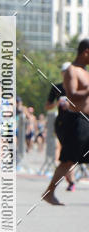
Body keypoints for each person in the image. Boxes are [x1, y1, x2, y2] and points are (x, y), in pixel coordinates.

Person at [42, 39, 89, 205]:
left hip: (86, 121)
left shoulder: (85, 72)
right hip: (76, 121)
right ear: (86, 52)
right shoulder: (72, 71)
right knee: (68, 160)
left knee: (70, 159)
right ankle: (49, 192)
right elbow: (72, 95)